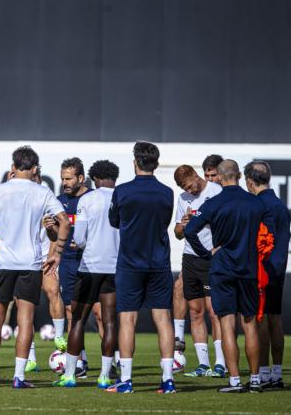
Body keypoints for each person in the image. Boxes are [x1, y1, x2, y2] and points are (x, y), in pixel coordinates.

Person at [0, 146, 69, 389]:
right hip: (30, 263)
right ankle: (18, 377)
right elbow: (64, 223)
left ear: (13, 166)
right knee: (25, 319)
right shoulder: (43, 192)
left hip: (2, 263)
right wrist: (58, 254)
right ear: (34, 169)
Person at [185, 159, 275, 393]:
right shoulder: (256, 204)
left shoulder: (213, 203)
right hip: (248, 270)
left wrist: (206, 254)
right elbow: (268, 235)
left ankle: (235, 381)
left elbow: (189, 230)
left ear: (222, 178)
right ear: (238, 176)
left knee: (226, 325)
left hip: (222, 270)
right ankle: (255, 380)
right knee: (250, 326)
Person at [107, 141, 175, 394]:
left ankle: (126, 381)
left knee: (127, 320)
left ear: (135, 162)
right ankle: (168, 380)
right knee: (163, 319)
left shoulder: (123, 191)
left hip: (129, 264)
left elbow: (114, 221)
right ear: (155, 164)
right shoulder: (167, 192)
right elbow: (165, 222)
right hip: (158, 263)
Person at [53, 160, 120, 389]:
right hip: (113, 267)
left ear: (92, 177)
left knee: (78, 320)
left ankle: (70, 375)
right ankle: (104, 376)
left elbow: (79, 239)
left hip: (89, 267)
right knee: (110, 321)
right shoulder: (122, 198)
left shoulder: (87, 200)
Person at [172, 165, 225, 378]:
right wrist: (183, 225)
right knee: (195, 312)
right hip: (190, 257)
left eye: (191, 186)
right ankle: (203, 364)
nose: (190, 191)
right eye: (186, 188)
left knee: (215, 312)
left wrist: (218, 248)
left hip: (211, 258)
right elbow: (177, 233)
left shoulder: (216, 192)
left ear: (196, 176)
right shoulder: (183, 198)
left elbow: (225, 226)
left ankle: (221, 362)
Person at [244, 161, 291, 390]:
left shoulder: (257, 204)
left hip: (261, 269)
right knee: (275, 320)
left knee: (260, 321)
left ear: (249, 182)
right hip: (279, 269)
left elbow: (263, 240)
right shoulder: (281, 205)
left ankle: (263, 375)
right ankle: (277, 374)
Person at [49, 158, 94, 373]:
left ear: (81, 178)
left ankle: (112, 362)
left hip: (91, 261)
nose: (64, 182)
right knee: (70, 311)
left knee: (102, 313)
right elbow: (56, 235)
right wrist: (50, 228)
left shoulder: (92, 198)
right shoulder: (58, 201)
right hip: (68, 261)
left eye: (68, 178)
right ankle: (80, 361)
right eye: (62, 178)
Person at [25, 167, 67, 373]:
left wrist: (52, 256)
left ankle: (59, 336)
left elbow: (58, 230)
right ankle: (30, 358)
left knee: (53, 291)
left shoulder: (46, 197)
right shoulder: (17, 196)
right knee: (26, 308)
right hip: (23, 260)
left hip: (43, 257)